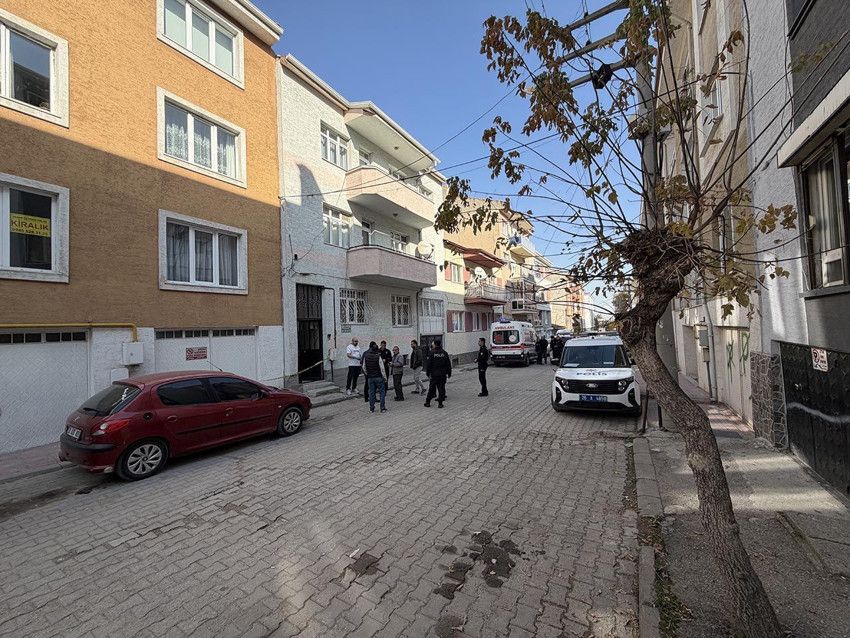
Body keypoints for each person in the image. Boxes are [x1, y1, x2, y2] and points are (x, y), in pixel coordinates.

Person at [424, 339, 451, 408]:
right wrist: (449, 373)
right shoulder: (444, 353)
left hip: (434, 374)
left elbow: (429, 364)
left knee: (431, 389)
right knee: (441, 388)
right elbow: (448, 364)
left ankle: (427, 402)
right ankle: (440, 403)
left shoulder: (432, 353)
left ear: (435, 344)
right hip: (442, 374)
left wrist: (428, 373)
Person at [362, 342, 387, 412]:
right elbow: (382, 369)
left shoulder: (366, 356)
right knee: (382, 392)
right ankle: (382, 408)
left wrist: (367, 374)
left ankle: (371, 408)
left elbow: (364, 367)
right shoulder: (378, 357)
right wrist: (385, 378)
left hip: (370, 377)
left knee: (371, 393)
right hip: (378, 376)